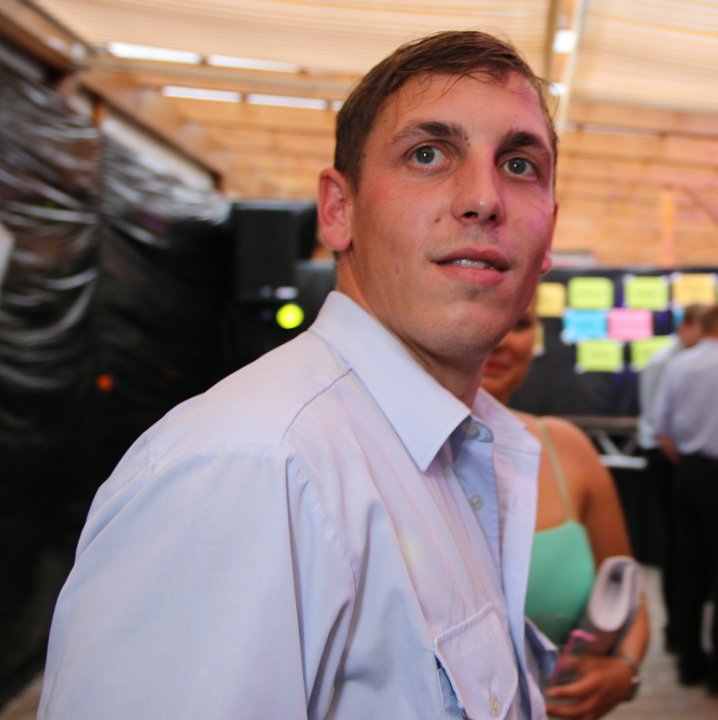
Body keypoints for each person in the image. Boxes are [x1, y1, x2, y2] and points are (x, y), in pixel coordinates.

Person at [38, 30, 558, 719]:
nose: (484, 198)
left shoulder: (456, 445)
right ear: (338, 211)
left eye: (520, 165)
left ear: (550, 233)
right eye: (428, 154)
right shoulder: (251, 466)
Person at [481, 301, 649, 718]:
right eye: (482, 311)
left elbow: (630, 594)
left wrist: (623, 671)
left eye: (520, 323)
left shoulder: (566, 448)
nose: (501, 338)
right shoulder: (386, 457)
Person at [653, 303, 718, 694]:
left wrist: (688, 464)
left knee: (689, 567)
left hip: (689, 473)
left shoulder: (679, 365)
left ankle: (689, 661)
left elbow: (662, 430)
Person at [636, 303, 707, 652]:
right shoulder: (664, 361)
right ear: (687, 327)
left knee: (690, 548)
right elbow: (656, 422)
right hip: (665, 457)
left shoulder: (687, 360)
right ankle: (675, 630)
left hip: (683, 458)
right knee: (674, 545)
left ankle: (682, 630)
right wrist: (683, 461)